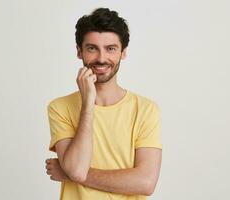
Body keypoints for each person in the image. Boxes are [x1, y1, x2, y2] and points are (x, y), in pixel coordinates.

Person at [45, 7, 162, 200]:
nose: (101, 58)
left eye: (110, 48)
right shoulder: (60, 108)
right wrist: (88, 102)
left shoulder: (145, 109)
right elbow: (76, 168)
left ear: (123, 52)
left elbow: (146, 182)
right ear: (79, 51)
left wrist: (71, 174)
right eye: (92, 48)